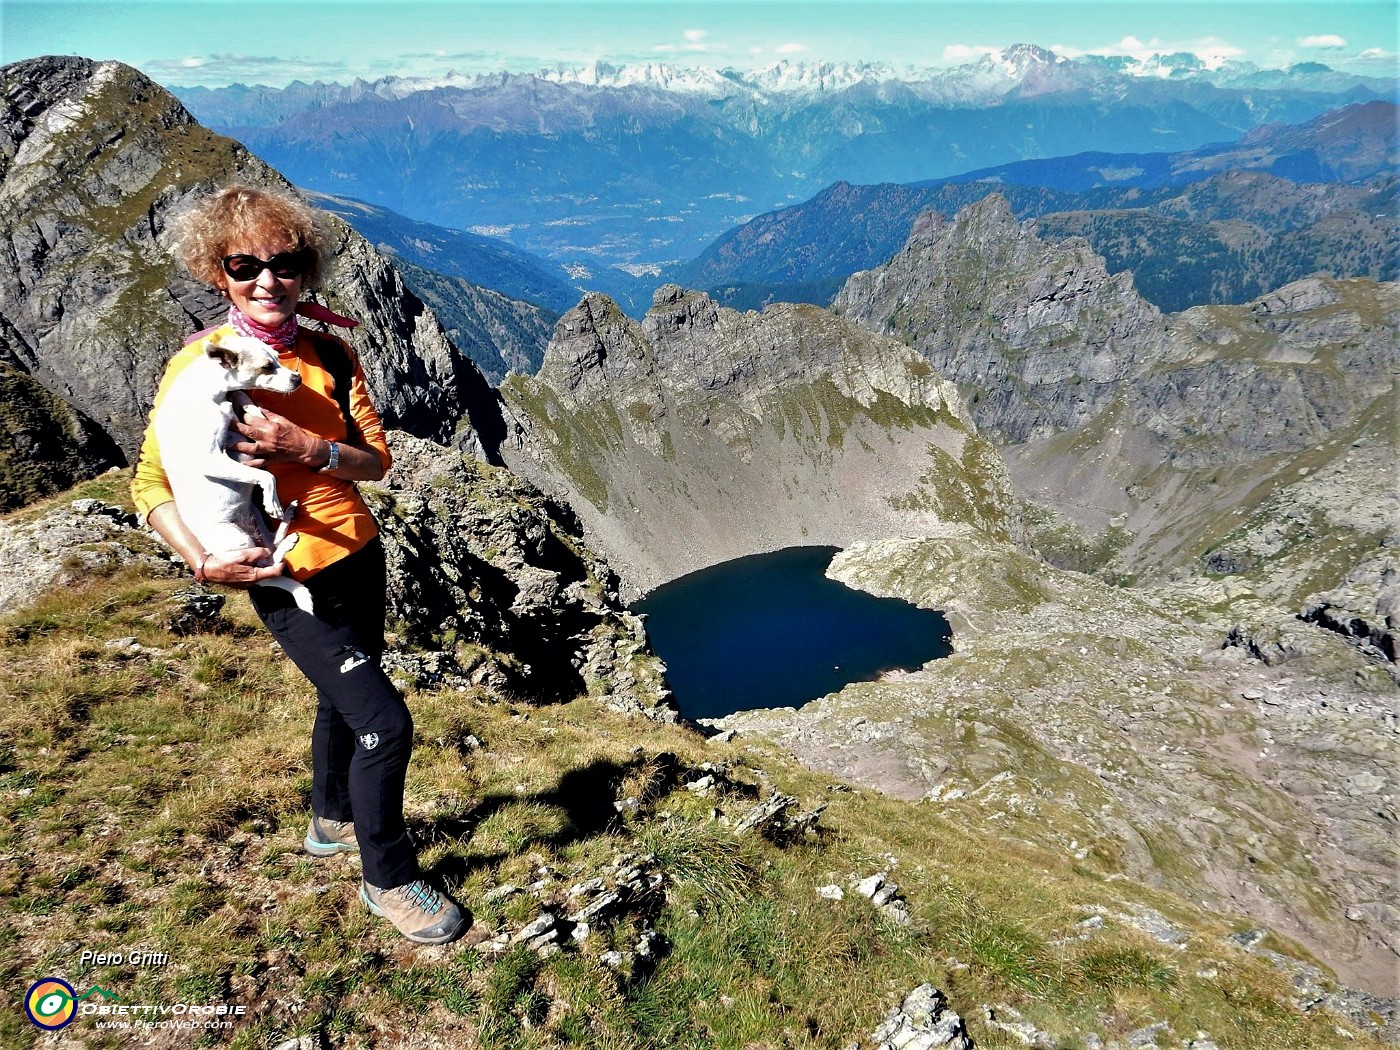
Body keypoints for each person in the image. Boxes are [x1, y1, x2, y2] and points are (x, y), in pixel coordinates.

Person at [131, 183, 467, 945]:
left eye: (283, 263)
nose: (266, 280)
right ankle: (388, 879)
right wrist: (201, 562)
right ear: (217, 272)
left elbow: (373, 461)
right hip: (288, 579)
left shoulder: (330, 353)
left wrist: (308, 450)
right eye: (244, 264)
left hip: (357, 552)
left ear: (304, 269)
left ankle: (330, 820)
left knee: (340, 704)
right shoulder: (202, 365)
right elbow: (149, 482)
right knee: (385, 726)